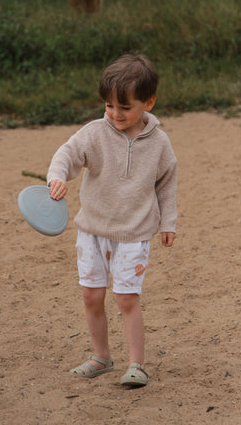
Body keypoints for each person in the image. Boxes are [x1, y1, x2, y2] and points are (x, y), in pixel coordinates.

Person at [47, 54, 177, 387]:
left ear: (149, 102)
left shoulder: (159, 143)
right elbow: (67, 153)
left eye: (125, 107)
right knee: (91, 295)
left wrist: (168, 222)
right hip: (91, 231)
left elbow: (166, 184)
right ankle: (100, 356)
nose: (115, 114)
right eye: (108, 106)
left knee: (126, 298)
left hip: (134, 233)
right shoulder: (94, 133)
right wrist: (57, 177)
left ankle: (137, 365)